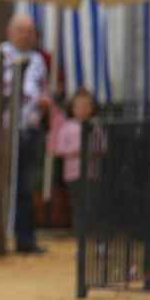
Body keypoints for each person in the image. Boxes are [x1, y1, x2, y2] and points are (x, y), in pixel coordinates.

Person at [0, 14, 50, 254]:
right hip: (5, 130)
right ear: (9, 31)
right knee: (0, 183)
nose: (26, 35)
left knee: (25, 187)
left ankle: (25, 240)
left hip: (30, 129)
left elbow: (42, 87)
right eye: (21, 30)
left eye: (30, 30)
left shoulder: (38, 58)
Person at [42, 86, 98, 214]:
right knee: (77, 205)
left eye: (86, 106)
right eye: (79, 106)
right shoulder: (67, 127)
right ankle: (79, 227)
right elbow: (59, 148)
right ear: (72, 108)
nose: (83, 109)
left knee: (92, 205)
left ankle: (91, 227)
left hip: (92, 174)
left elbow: (103, 146)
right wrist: (75, 150)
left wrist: (92, 151)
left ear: (92, 107)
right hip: (73, 174)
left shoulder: (96, 126)